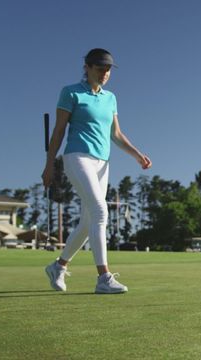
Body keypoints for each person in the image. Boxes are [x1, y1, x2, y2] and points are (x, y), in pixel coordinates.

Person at [42, 48, 152, 294]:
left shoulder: (110, 98)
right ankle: (104, 278)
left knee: (87, 222)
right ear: (88, 67)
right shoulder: (70, 92)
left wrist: (137, 154)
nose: (105, 73)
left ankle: (58, 266)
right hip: (77, 157)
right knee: (101, 211)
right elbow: (58, 131)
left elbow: (116, 134)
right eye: (100, 68)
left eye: (109, 69)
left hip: (103, 162)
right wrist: (49, 164)